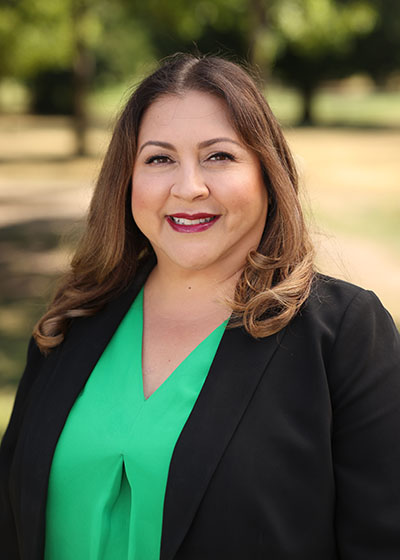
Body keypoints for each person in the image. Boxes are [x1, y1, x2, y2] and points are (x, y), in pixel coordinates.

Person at [1, 53, 400, 560]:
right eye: (159, 158)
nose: (188, 187)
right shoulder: (73, 323)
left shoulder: (345, 336)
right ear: (127, 182)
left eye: (219, 156)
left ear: (266, 175)